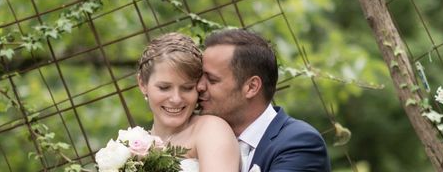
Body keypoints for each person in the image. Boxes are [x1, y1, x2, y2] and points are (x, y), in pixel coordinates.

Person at [197, 29, 331, 172]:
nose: (199, 86)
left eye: (212, 80)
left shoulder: (300, 143)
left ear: (251, 87)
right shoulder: (197, 137)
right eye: (200, 77)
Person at [137, 32, 240, 172]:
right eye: (164, 88)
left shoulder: (210, 129)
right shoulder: (136, 145)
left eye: (187, 88)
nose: (176, 99)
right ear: (142, 84)